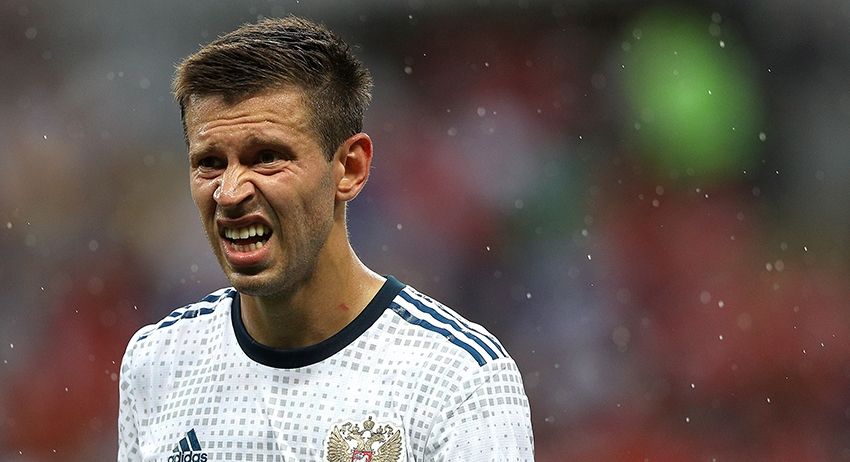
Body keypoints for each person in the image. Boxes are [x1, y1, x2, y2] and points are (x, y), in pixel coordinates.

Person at [118, 16, 534, 462]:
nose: (230, 192)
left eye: (267, 157)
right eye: (210, 163)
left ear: (350, 168)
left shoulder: (459, 379)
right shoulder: (155, 363)